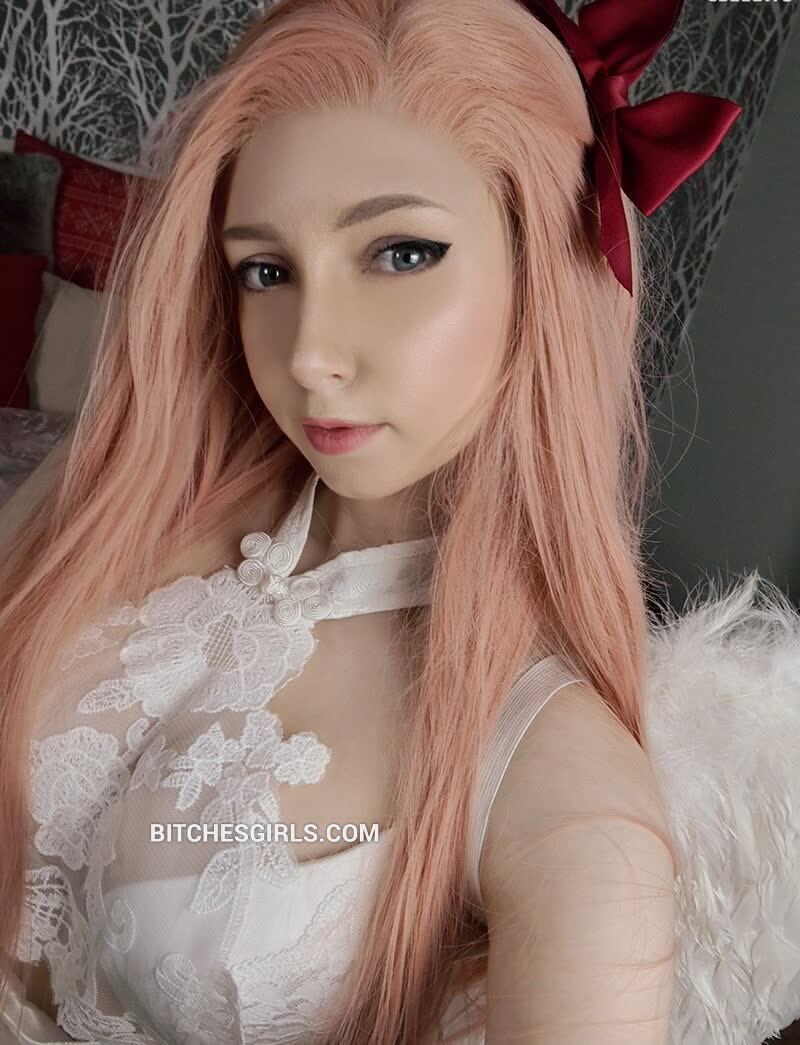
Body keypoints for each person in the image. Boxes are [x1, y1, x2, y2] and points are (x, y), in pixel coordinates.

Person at [0, 0, 743, 1041]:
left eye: (400, 253)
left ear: (543, 271)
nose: (309, 351)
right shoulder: (108, 501)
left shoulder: (552, 779)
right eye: (266, 270)